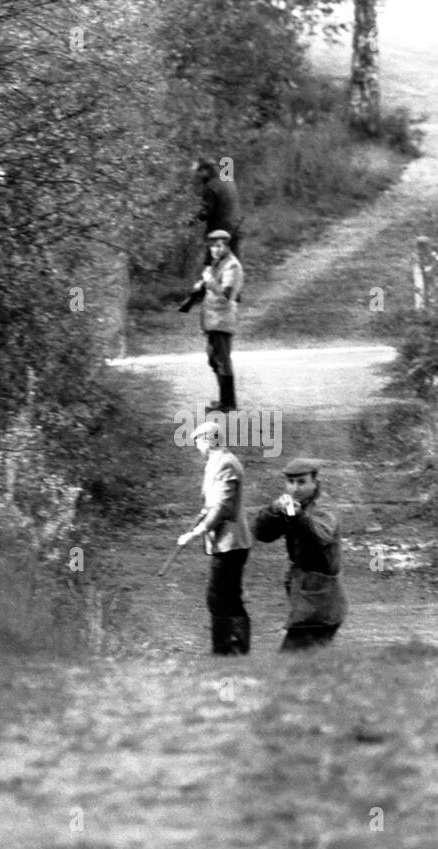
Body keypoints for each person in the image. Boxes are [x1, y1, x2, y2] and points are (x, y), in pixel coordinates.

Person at [251, 458, 347, 651]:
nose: (295, 488)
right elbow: (263, 534)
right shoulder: (294, 505)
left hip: (321, 604)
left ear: (315, 483)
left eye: (302, 482)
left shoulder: (323, 508)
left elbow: (318, 538)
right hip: (305, 598)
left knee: (290, 661)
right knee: (308, 665)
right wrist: (273, 511)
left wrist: (297, 517)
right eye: (291, 482)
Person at [178, 420, 252, 655]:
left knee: (220, 599)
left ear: (209, 440)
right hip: (224, 543)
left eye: (198, 441)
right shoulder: (215, 462)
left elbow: (223, 508)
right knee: (227, 598)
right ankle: (234, 649)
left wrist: (196, 532)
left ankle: (226, 651)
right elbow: (213, 502)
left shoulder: (225, 464)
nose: (197, 447)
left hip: (231, 544)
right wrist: (203, 512)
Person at [191, 229, 242, 412]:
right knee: (214, 359)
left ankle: (228, 404)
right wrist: (202, 286)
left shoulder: (231, 266)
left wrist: (209, 281)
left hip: (222, 320)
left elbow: (226, 293)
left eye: (219, 246)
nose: (215, 249)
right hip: (213, 320)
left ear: (227, 246)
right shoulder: (217, 264)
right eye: (212, 246)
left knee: (222, 361)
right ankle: (224, 402)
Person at [193, 159, 243, 261]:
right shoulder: (228, 180)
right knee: (234, 262)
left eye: (200, 171)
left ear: (206, 170)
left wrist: (191, 219)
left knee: (213, 264)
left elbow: (205, 213)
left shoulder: (211, 187)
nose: (199, 175)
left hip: (220, 231)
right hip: (235, 227)